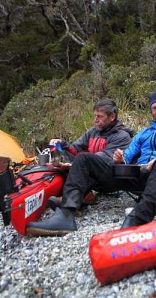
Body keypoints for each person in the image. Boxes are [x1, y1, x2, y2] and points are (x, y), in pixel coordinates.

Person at [27, 90, 156, 236]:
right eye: (154, 108)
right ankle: (66, 213)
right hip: (135, 175)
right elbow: (128, 155)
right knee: (84, 158)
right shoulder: (144, 133)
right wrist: (121, 158)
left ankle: (137, 219)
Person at [26, 99, 133, 236]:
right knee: (64, 155)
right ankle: (82, 196)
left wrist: (74, 163)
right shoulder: (93, 132)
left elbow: (105, 159)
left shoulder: (122, 136)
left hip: (111, 179)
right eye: (95, 116)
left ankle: (66, 214)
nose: (95, 120)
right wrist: (62, 145)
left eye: (99, 117)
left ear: (112, 117)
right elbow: (74, 149)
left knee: (83, 159)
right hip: (92, 174)